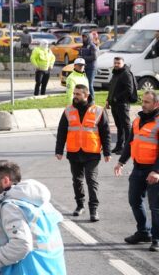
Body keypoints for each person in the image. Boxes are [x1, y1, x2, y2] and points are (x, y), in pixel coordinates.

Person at [0, 160, 66, 274]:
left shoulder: (11, 206)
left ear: (5, 181)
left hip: (29, 268)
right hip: (52, 267)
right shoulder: (38, 201)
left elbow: (21, 245)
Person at [55, 84, 110, 221]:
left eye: (78, 94)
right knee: (77, 181)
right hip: (74, 152)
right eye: (74, 94)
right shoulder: (68, 111)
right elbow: (61, 131)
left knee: (91, 181)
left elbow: (105, 132)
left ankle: (93, 209)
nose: (75, 96)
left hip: (92, 152)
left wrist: (107, 152)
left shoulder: (98, 110)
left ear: (86, 95)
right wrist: (59, 150)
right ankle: (80, 205)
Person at [114, 90, 159, 250]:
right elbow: (130, 143)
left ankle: (156, 238)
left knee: (155, 206)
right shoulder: (137, 120)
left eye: (147, 102)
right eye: (143, 101)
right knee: (134, 200)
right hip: (138, 168)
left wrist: (156, 171)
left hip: (154, 171)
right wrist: (121, 162)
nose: (143, 104)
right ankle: (143, 232)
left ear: (156, 104)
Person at [106, 56, 138, 154]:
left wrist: (116, 98)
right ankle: (119, 146)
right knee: (119, 126)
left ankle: (127, 148)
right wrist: (108, 100)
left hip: (122, 104)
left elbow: (129, 90)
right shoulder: (116, 73)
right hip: (114, 104)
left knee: (126, 126)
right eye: (115, 63)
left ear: (123, 63)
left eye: (118, 63)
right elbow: (112, 88)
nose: (116, 65)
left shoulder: (126, 74)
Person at [78, 33, 99, 101]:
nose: (83, 39)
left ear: (89, 38)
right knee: (85, 84)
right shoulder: (83, 46)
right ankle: (86, 99)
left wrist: (83, 58)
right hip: (84, 68)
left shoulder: (92, 46)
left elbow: (94, 57)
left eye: (85, 37)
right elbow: (80, 55)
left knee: (89, 84)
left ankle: (92, 100)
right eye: (83, 37)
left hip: (91, 68)